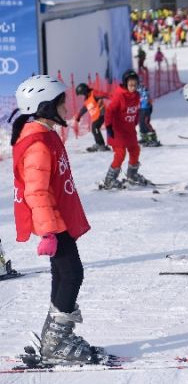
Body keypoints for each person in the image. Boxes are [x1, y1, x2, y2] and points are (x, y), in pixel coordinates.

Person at [11, 75, 100, 363]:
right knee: (72, 274)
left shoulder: (45, 134)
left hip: (56, 219)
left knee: (63, 274)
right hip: (52, 223)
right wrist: (48, 232)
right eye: (62, 103)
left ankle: (55, 335)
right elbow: (35, 191)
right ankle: (56, 342)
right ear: (46, 106)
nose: (67, 107)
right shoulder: (37, 143)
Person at [102, 70, 148, 189]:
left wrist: (136, 120)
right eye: (130, 85)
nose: (133, 87)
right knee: (120, 154)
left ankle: (132, 174)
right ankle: (109, 179)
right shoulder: (120, 96)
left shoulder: (136, 95)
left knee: (135, 150)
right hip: (117, 130)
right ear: (125, 84)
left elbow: (136, 110)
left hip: (129, 129)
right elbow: (109, 111)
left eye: (135, 84)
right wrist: (108, 126)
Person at [74, 83, 109, 152]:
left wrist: (114, 97)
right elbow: (84, 109)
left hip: (101, 114)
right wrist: (78, 116)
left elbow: (104, 95)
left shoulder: (94, 94)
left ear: (84, 91)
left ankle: (101, 144)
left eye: (82, 94)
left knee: (95, 128)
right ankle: (99, 143)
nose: (83, 96)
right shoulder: (87, 100)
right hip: (96, 117)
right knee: (94, 129)